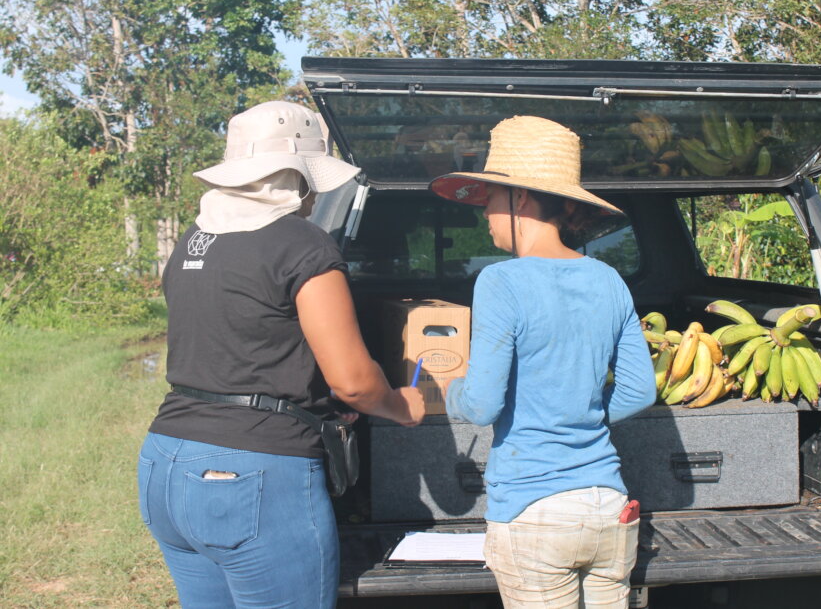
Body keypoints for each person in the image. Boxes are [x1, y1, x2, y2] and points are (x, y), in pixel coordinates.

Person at [138, 100, 425, 609]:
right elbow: (354, 382)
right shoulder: (302, 245)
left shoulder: (193, 240)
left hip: (165, 462)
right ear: (297, 177)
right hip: (255, 476)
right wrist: (403, 405)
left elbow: (235, 345)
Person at [429, 115, 656, 608]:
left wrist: (449, 389)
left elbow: (484, 404)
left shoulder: (500, 282)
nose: (483, 214)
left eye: (490, 199)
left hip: (534, 511)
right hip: (608, 508)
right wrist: (577, 412)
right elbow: (640, 390)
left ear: (521, 198)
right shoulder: (609, 279)